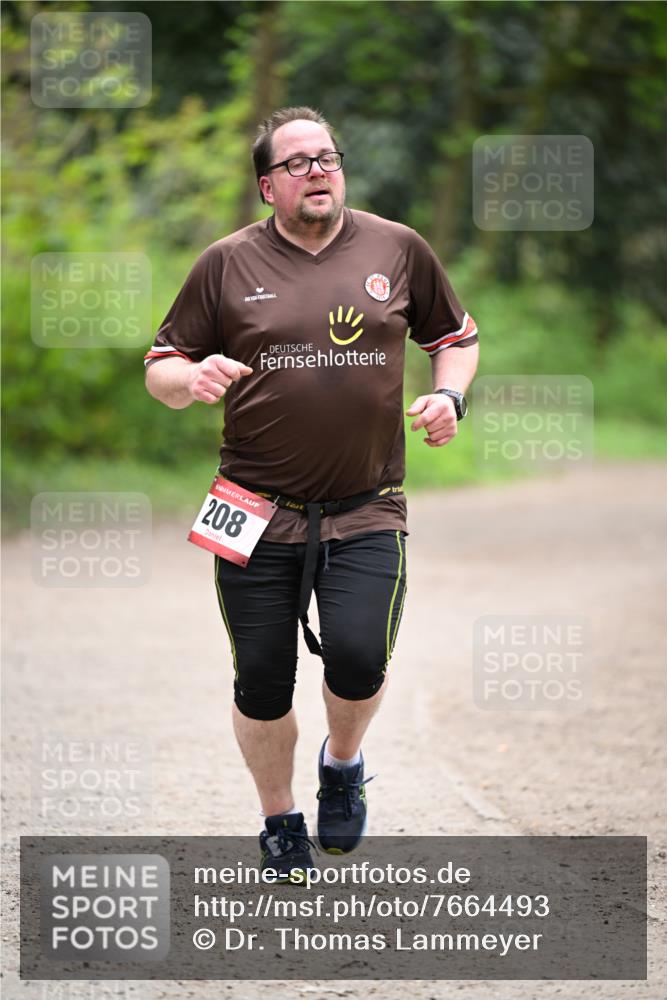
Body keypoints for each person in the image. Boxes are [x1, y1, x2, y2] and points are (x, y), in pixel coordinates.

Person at [144, 106, 479, 881]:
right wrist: (189, 378)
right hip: (250, 506)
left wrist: (450, 397)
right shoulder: (224, 264)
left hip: (368, 503)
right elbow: (161, 364)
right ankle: (279, 820)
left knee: (359, 660)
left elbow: (453, 337)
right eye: (296, 162)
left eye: (326, 156)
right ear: (268, 186)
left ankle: (343, 763)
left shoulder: (397, 247)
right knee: (261, 680)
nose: (317, 169)